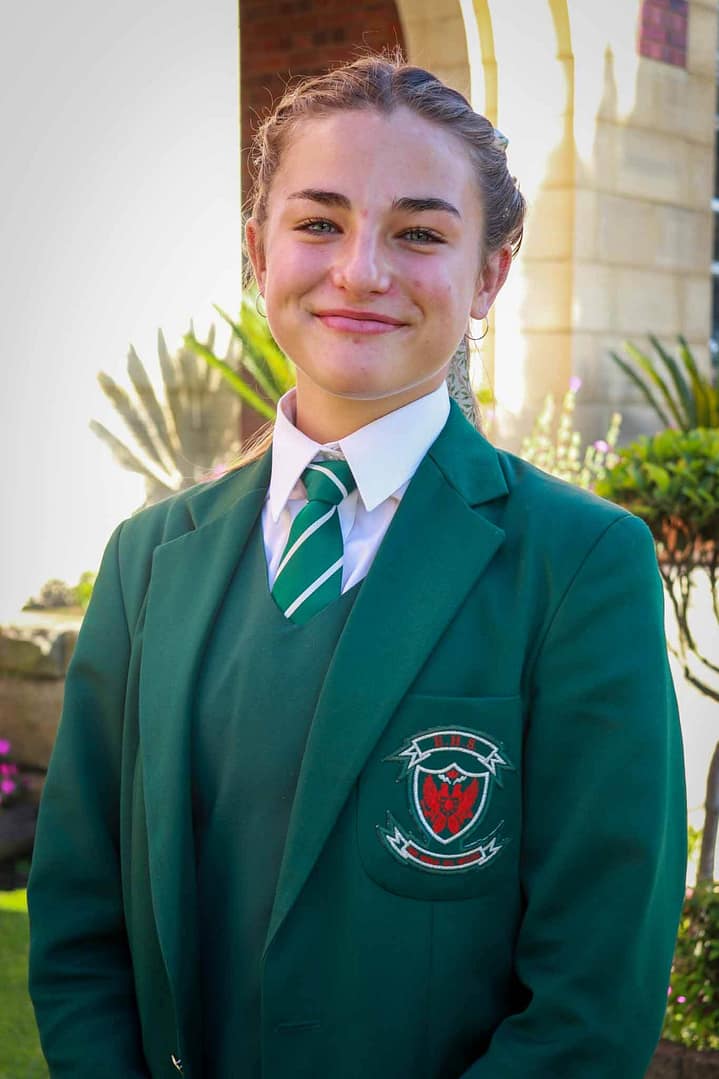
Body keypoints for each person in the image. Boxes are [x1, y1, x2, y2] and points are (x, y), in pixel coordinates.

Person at [27, 52, 687, 1079]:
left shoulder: (579, 566)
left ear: (488, 275)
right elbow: (80, 926)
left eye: (418, 233)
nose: (360, 271)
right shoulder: (145, 561)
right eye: (318, 222)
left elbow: (590, 998)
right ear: (258, 250)